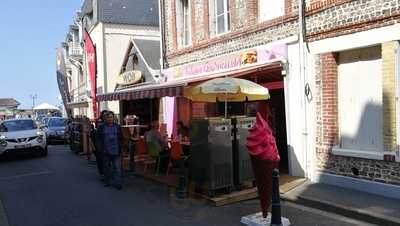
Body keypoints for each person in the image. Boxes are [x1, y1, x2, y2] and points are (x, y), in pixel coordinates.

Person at [97, 111, 124, 190]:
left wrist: (121, 147)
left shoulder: (117, 127)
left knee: (117, 168)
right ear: (105, 118)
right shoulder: (101, 127)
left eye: (111, 117)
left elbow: (121, 138)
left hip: (116, 150)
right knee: (106, 167)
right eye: (108, 117)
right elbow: (98, 139)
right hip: (106, 151)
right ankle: (107, 181)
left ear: (113, 118)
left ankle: (118, 183)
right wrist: (100, 149)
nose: (110, 119)